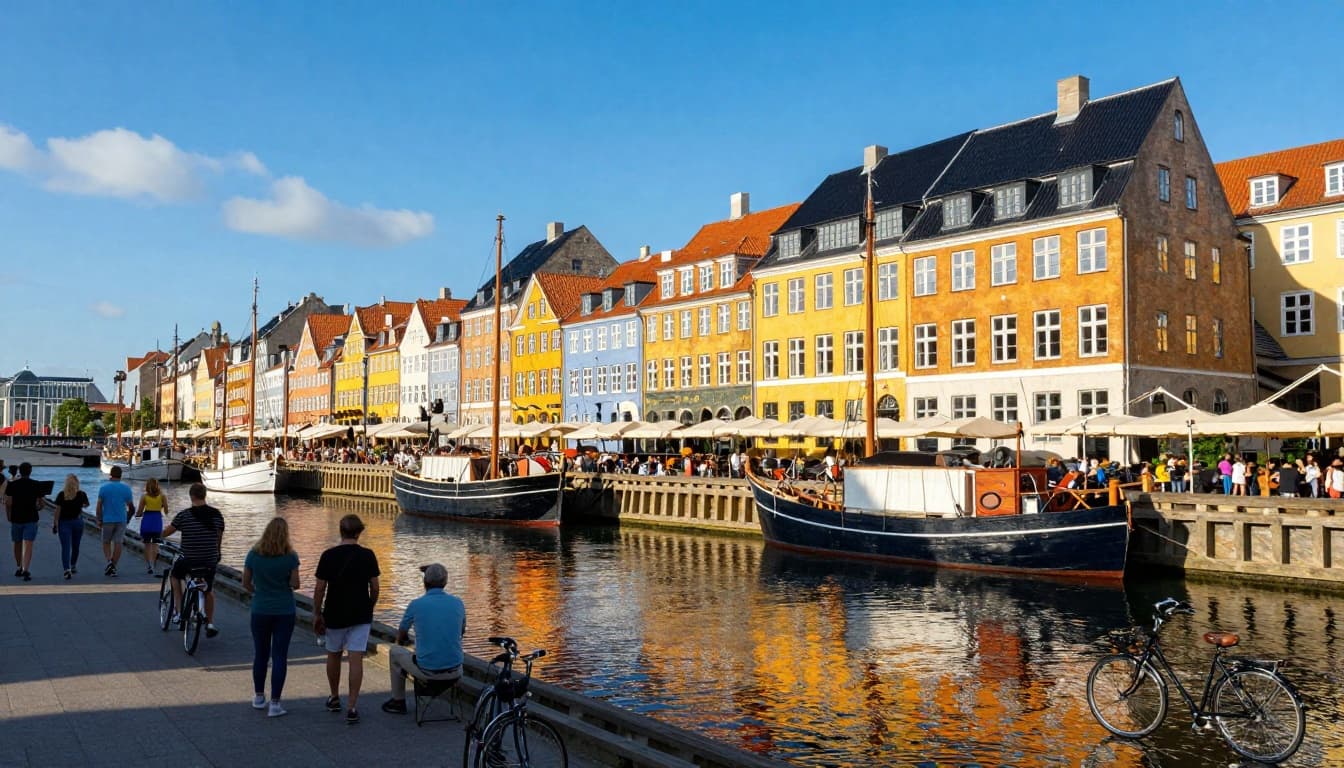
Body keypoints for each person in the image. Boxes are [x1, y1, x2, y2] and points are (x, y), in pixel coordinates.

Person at [313, 514, 380, 725]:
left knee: (333, 654)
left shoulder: (328, 556)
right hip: (360, 613)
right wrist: (370, 604)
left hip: (334, 612)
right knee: (355, 658)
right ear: (359, 532)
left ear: (340, 531)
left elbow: (320, 588)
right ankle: (352, 706)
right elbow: (375, 586)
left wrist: (317, 612)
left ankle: (334, 697)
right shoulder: (368, 555)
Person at [381, 562, 465, 715]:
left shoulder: (416, 604)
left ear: (424, 583)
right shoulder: (458, 603)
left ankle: (398, 701)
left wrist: (402, 641)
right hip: (455, 670)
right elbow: (461, 632)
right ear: (445, 582)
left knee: (395, 652)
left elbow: (402, 632)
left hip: (428, 671)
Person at [242, 517, 300, 718]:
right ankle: (275, 703)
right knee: (279, 656)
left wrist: (257, 591)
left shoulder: (253, 555)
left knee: (260, 653)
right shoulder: (291, 557)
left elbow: (246, 583)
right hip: (284, 610)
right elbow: (296, 584)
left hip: (260, 609)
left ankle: (259, 697)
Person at [163, 483, 225, 638]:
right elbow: (218, 540)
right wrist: (216, 554)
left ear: (191, 497)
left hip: (190, 560)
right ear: (205, 495)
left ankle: (178, 611)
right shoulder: (217, 515)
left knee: (175, 576)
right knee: (208, 589)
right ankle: (210, 623)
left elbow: (167, 532)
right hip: (209, 560)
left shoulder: (184, 515)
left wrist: (155, 535)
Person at [5, 462, 45, 581]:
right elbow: (41, 503)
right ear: (30, 471)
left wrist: (9, 516)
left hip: (16, 518)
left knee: (17, 543)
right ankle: (26, 569)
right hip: (31, 518)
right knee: (28, 544)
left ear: (19, 471)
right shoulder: (36, 484)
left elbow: (8, 503)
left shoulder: (12, 485)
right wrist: (38, 507)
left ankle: (19, 566)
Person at [95, 465, 135, 576]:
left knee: (106, 542)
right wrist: (128, 519)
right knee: (118, 542)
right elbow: (131, 507)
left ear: (110, 474)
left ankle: (109, 562)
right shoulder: (126, 488)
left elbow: (99, 506)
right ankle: (113, 566)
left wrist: (99, 519)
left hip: (107, 519)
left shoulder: (104, 488)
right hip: (121, 519)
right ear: (121, 475)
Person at [51, 473, 89, 579]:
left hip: (64, 523)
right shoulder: (82, 494)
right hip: (77, 522)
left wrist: (55, 524)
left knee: (65, 547)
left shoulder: (61, 495)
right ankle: (73, 565)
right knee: (76, 545)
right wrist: (79, 505)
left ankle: (66, 569)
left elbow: (57, 511)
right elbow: (86, 505)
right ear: (77, 483)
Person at [135, 478, 168, 575]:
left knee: (147, 545)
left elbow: (140, 511)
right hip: (157, 521)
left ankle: (149, 565)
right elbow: (166, 511)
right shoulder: (162, 496)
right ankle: (153, 564)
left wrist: (137, 515)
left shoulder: (144, 497)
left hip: (147, 521)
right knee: (155, 545)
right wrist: (161, 507)